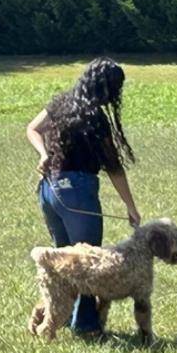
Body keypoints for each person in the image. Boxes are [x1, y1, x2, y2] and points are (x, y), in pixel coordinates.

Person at [26, 57, 141, 336]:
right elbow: (113, 165)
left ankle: (56, 316)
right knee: (88, 263)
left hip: (50, 190)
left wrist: (44, 154)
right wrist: (130, 206)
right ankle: (86, 325)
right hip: (77, 193)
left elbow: (32, 128)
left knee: (62, 261)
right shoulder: (96, 119)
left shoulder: (60, 103)